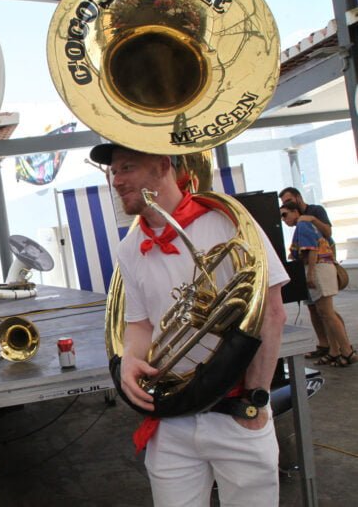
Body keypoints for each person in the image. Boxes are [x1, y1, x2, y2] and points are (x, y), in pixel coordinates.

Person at [91, 143, 289, 506]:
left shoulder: (227, 221)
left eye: (128, 167)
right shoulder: (130, 247)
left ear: (163, 166)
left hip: (236, 410)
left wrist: (257, 398)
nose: (116, 181)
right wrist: (131, 360)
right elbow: (139, 325)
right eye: (113, 172)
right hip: (172, 419)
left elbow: (272, 313)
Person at [281, 201, 355, 366]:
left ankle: (347, 351)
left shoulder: (303, 224)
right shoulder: (305, 225)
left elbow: (312, 249)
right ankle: (335, 351)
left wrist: (311, 273)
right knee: (325, 313)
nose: (284, 219)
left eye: (285, 214)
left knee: (328, 313)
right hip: (321, 268)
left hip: (320, 269)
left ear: (295, 211)